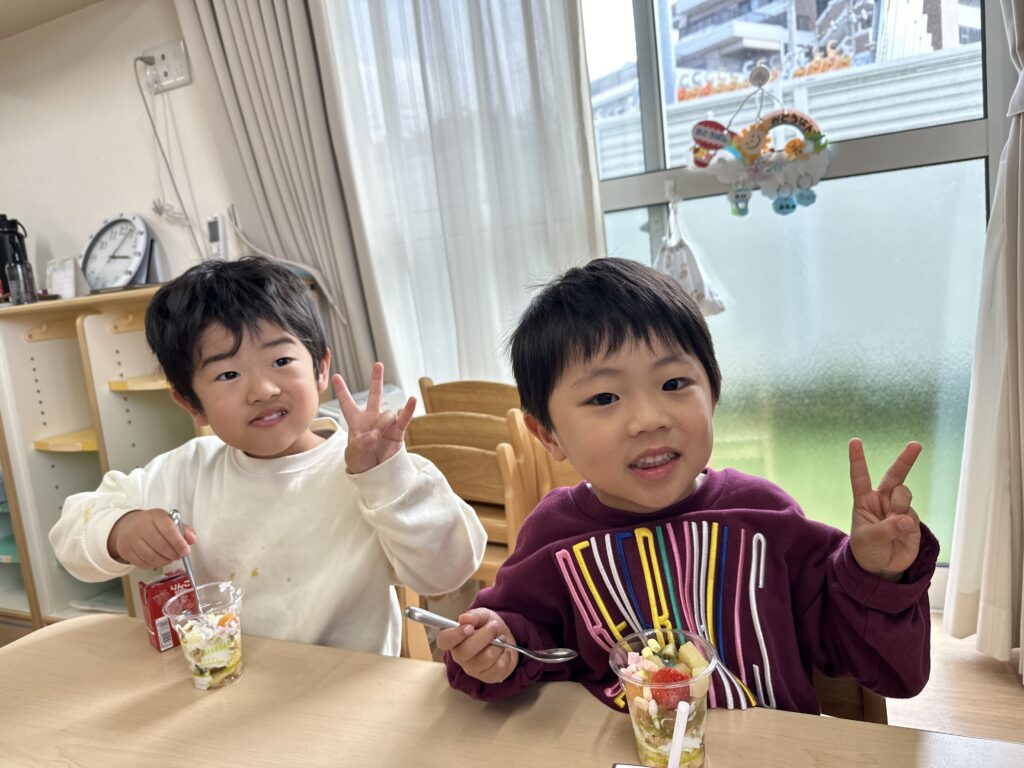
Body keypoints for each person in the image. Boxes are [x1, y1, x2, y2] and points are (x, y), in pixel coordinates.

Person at [439, 257, 936, 714]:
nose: (649, 419)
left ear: (713, 393)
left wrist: (876, 576)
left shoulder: (765, 517)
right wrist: (496, 647)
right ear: (548, 434)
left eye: (673, 384)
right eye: (604, 397)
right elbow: (524, 639)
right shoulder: (552, 536)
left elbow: (888, 671)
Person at [50, 256, 486, 656]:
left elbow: (449, 571)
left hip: (345, 694)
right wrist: (120, 530)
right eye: (228, 374)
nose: (262, 390)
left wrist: (388, 478)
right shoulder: (187, 471)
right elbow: (70, 532)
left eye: (280, 361)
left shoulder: (371, 471)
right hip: (227, 684)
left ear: (319, 367)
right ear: (191, 403)